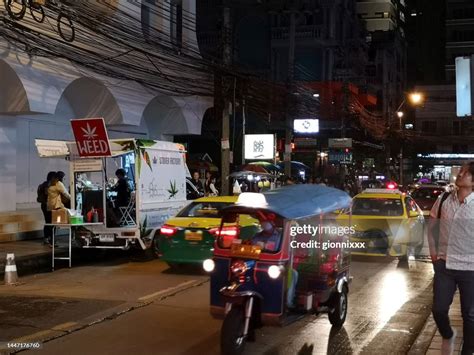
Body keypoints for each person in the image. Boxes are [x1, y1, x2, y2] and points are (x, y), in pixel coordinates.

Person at [428, 162, 474, 355]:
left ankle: (468, 351)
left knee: (470, 316)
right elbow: (432, 227)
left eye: (465, 172)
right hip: (444, 266)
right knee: (438, 310)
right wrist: (433, 257)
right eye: (461, 171)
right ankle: (448, 334)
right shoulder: (445, 198)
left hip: (471, 269)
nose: (460, 174)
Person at [37, 171, 55, 245]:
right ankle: (50, 238)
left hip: (44, 205)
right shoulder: (48, 185)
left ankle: (47, 238)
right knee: (51, 222)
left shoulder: (42, 184)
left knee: (48, 221)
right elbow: (49, 194)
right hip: (48, 205)